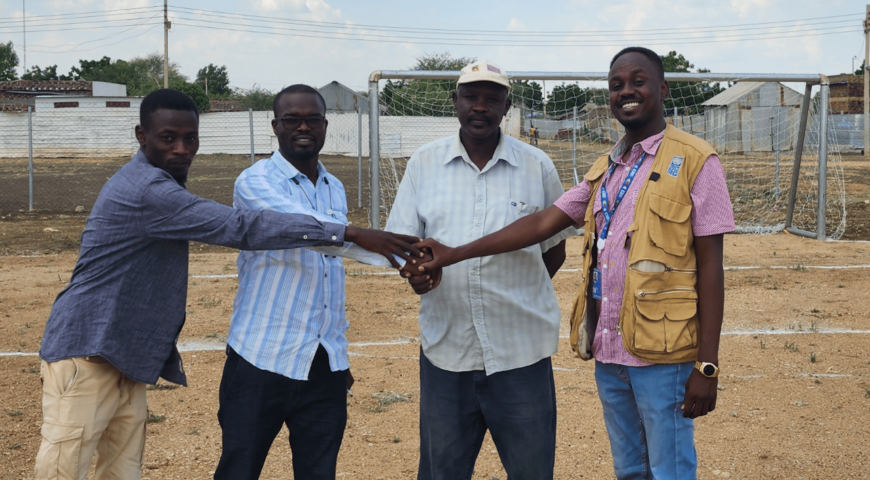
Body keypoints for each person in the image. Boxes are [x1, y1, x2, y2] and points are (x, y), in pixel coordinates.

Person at [35, 89, 422, 480]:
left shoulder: (333, 186)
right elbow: (241, 226)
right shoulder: (152, 189)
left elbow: (326, 267)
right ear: (142, 135)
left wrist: (334, 355)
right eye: (168, 138)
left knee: (122, 470)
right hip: (88, 349)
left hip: (124, 356)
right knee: (64, 469)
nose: (182, 149)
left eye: (190, 139)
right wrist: (365, 237)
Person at [415, 47, 735, 480]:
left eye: (637, 82)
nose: (626, 92)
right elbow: (544, 221)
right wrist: (454, 254)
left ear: (661, 88)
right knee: (630, 469)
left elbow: (711, 267)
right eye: (616, 85)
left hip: (665, 353)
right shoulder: (607, 167)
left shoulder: (698, 160)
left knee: (671, 469)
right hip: (610, 351)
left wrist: (707, 364)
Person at [213, 84, 432, 479]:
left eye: (313, 119)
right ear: (275, 126)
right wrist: (361, 236)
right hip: (260, 357)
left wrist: (407, 257)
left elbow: (334, 256)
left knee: (319, 472)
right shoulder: (254, 181)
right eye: (292, 119)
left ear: (325, 125)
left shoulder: (334, 187)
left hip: (322, 364)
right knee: (238, 470)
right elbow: (298, 227)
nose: (303, 127)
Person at [386, 60, 575, 480]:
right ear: (455, 102)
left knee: (531, 471)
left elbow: (554, 251)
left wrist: (516, 290)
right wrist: (418, 275)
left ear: (506, 107)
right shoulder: (424, 163)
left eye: (492, 99)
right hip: (446, 352)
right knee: (442, 472)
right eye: (471, 97)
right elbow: (406, 248)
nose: (480, 107)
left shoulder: (537, 165)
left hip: (521, 353)